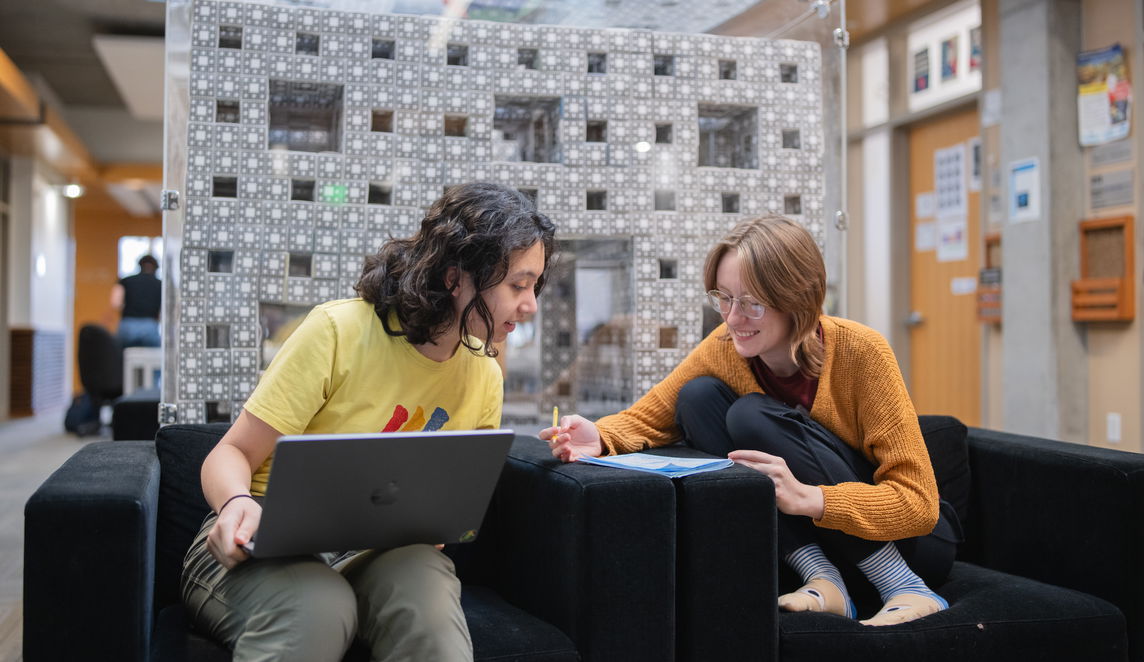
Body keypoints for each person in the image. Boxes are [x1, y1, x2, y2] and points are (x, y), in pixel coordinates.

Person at [182, 183, 556, 662]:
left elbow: (450, 510)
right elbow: (229, 454)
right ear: (455, 277)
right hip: (259, 547)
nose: (531, 306)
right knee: (318, 604)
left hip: (377, 555)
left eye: (535, 287)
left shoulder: (484, 371)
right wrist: (235, 504)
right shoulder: (338, 331)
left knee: (428, 599)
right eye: (517, 286)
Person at [541, 214, 959, 626]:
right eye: (724, 297)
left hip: (912, 547)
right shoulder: (726, 345)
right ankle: (822, 578)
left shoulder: (861, 351)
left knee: (750, 414)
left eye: (752, 303)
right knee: (698, 397)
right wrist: (598, 435)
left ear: (797, 298)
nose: (732, 318)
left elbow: (919, 506)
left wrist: (812, 498)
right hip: (826, 547)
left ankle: (903, 586)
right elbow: (653, 416)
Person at [111, 254, 162, 347]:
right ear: (156, 268)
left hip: (127, 325)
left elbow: (115, 303)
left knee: (121, 358)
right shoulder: (160, 284)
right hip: (150, 326)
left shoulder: (125, 281)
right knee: (154, 359)